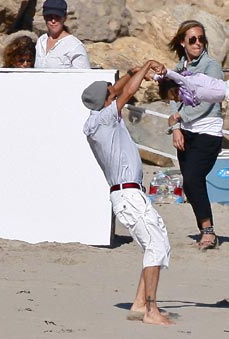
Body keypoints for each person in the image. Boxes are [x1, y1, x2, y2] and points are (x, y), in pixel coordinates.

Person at [81, 62, 173, 325]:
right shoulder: (104, 119)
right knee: (155, 246)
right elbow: (125, 94)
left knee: (158, 243)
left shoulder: (98, 116)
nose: (115, 93)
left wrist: (134, 70)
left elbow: (116, 91)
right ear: (105, 102)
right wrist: (144, 69)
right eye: (111, 94)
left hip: (132, 194)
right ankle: (151, 312)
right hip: (128, 195)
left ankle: (140, 303)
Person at [167, 20, 224, 250]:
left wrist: (180, 118)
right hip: (185, 132)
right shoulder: (178, 69)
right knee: (189, 185)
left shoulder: (212, 67)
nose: (197, 43)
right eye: (192, 39)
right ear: (182, 42)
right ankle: (205, 228)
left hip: (208, 131)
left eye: (201, 39)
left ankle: (209, 232)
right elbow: (173, 97)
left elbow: (209, 101)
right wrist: (176, 128)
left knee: (193, 178)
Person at [151, 61, 229, 138]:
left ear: (176, 89)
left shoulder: (188, 84)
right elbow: (165, 81)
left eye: (174, 97)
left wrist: (165, 72)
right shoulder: (188, 90)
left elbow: (174, 76)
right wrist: (153, 76)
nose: (176, 101)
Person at [35, 0, 90, 69]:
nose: (53, 21)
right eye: (49, 16)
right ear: (44, 17)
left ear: (65, 17)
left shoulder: (75, 46)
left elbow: (84, 77)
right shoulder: (41, 41)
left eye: (57, 16)